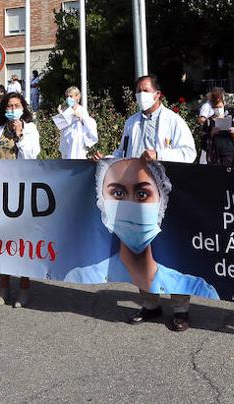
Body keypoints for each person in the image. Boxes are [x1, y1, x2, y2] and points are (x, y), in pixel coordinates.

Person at [89, 75, 198, 330]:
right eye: (138, 91)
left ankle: (180, 309)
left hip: (164, 197)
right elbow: (122, 153)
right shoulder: (132, 123)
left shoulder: (174, 121)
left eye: (145, 90)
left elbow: (189, 152)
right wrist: (105, 158)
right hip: (134, 197)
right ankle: (150, 305)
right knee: (140, 251)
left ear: (158, 94)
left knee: (170, 253)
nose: (140, 95)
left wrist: (159, 154)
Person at [63, 157, 219, 302]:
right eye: (118, 193)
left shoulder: (196, 289)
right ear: (102, 202)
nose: (131, 205)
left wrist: (158, 155)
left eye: (142, 194)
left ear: (161, 200)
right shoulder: (82, 280)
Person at [0, 92, 41, 307]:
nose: (13, 109)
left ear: (23, 108)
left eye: (17, 105)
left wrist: (20, 135)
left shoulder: (31, 129)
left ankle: (24, 287)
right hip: (1, 190)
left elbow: (31, 156)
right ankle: (3, 285)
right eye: (9, 106)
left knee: (22, 241)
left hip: (22, 190)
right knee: (2, 240)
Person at [54, 86, 99, 159]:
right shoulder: (66, 110)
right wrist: (60, 114)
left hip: (77, 143)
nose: (69, 98)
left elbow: (88, 125)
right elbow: (61, 126)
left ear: (77, 97)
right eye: (67, 96)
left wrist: (80, 117)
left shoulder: (81, 110)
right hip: (67, 142)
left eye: (71, 96)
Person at [205, 93, 234, 167]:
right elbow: (205, 140)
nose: (218, 109)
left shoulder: (229, 119)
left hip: (228, 151)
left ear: (223, 106)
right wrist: (212, 133)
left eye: (220, 107)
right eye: (216, 107)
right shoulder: (209, 121)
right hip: (215, 153)